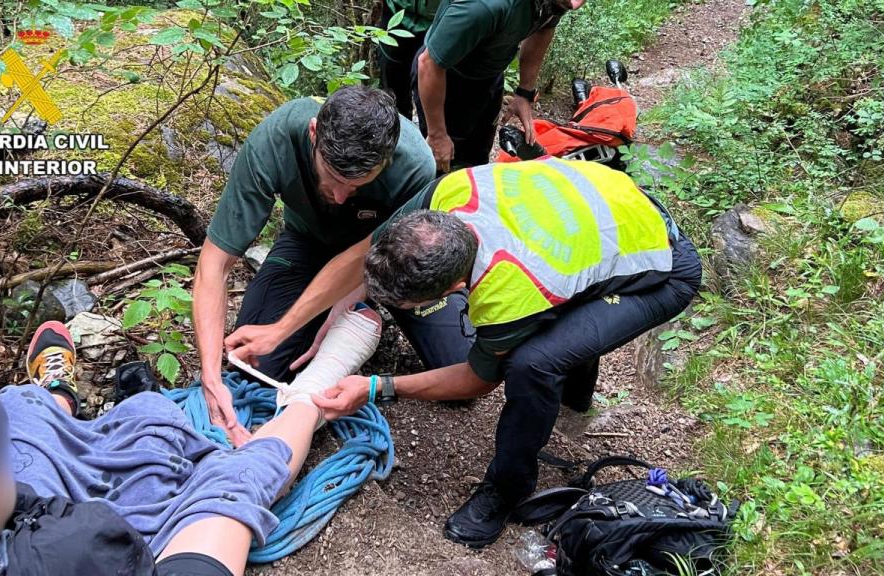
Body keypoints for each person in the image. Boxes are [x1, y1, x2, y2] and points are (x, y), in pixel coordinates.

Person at [225, 158, 703, 548]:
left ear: (456, 288)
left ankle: (507, 490)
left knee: (532, 364)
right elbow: (367, 251)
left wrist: (377, 387)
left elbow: (477, 379)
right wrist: (287, 326)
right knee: (564, 322)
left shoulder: (510, 290)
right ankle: (576, 393)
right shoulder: (448, 195)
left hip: (661, 263)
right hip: (606, 211)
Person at [0, 309, 382, 575]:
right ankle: (312, 396)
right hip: (99, 542)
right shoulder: (75, 554)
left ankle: (57, 393)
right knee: (235, 481)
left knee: (18, 410)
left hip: (6, 532)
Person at [193, 85, 472, 446]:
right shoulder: (275, 140)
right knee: (255, 368)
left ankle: (366, 316)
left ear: (386, 161)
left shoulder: (414, 164)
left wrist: (347, 299)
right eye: (333, 178)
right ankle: (348, 323)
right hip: (310, 244)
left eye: (357, 186)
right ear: (314, 134)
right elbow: (213, 265)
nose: (340, 197)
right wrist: (210, 375)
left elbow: (364, 258)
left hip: (393, 262)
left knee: (457, 365)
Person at [413, 0, 588, 172]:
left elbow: (545, 27)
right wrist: (437, 134)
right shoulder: (485, 5)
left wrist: (525, 92)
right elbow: (429, 64)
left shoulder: (561, 2)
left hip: (489, 76)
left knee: (477, 162)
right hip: (447, 81)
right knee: (445, 166)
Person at [378, 0, 442, 118]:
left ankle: (431, 129)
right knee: (392, 84)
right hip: (395, 13)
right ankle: (397, 126)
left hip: (437, 20)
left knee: (431, 79)